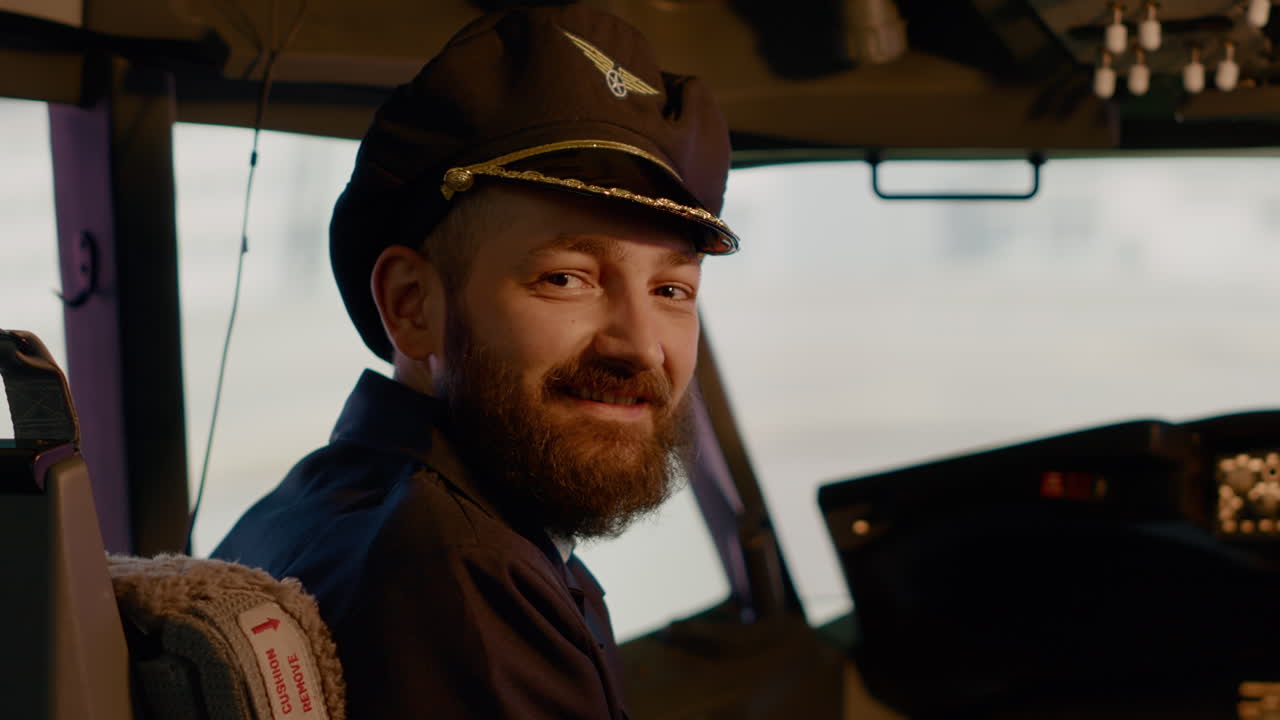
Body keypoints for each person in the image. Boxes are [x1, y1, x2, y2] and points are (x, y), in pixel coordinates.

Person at [212, 4, 739, 718]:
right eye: (566, 278)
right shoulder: (462, 577)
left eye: (671, 289)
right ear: (412, 306)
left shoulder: (319, 500)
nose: (642, 345)